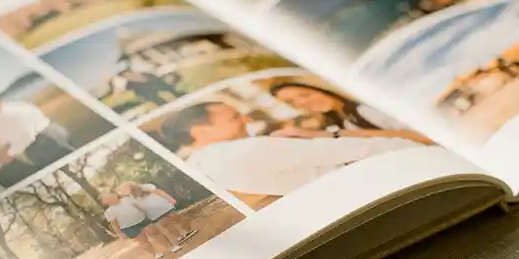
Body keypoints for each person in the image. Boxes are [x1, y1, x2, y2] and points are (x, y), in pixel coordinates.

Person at [158, 101, 428, 199]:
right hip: (379, 176)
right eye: (234, 118)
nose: (246, 120)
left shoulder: (202, 162)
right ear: (200, 133)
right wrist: (415, 145)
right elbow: (355, 149)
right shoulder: (247, 150)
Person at [268, 81, 425, 138]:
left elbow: (424, 136)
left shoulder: (365, 108)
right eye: (292, 103)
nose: (302, 104)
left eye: (305, 95)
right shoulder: (339, 118)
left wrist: (336, 135)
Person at [0, 100, 74, 181]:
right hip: (51, 133)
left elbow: (21, 140)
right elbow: (10, 142)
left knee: (67, 170)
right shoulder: (11, 108)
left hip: (43, 143)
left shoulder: (7, 116)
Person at [117, 181, 194, 247]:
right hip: (154, 213)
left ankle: (188, 230)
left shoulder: (145, 187)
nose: (123, 191)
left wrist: (170, 198)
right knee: (166, 224)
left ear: (130, 185)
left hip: (163, 205)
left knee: (177, 217)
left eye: (124, 189)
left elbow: (159, 192)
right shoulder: (129, 198)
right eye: (121, 191)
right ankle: (179, 236)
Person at [100, 191, 171, 259]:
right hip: (129, 227)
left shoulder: (127, 199)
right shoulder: (109, 212)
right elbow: (114, 224)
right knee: (143, 241)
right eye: (107, 198)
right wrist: (120, 234)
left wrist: (148, 213)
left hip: (142, 219)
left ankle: (170, 246)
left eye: (110, 195)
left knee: (154, 232)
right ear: (104, 203)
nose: (111, 197)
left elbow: (139, 207)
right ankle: (155, 254)